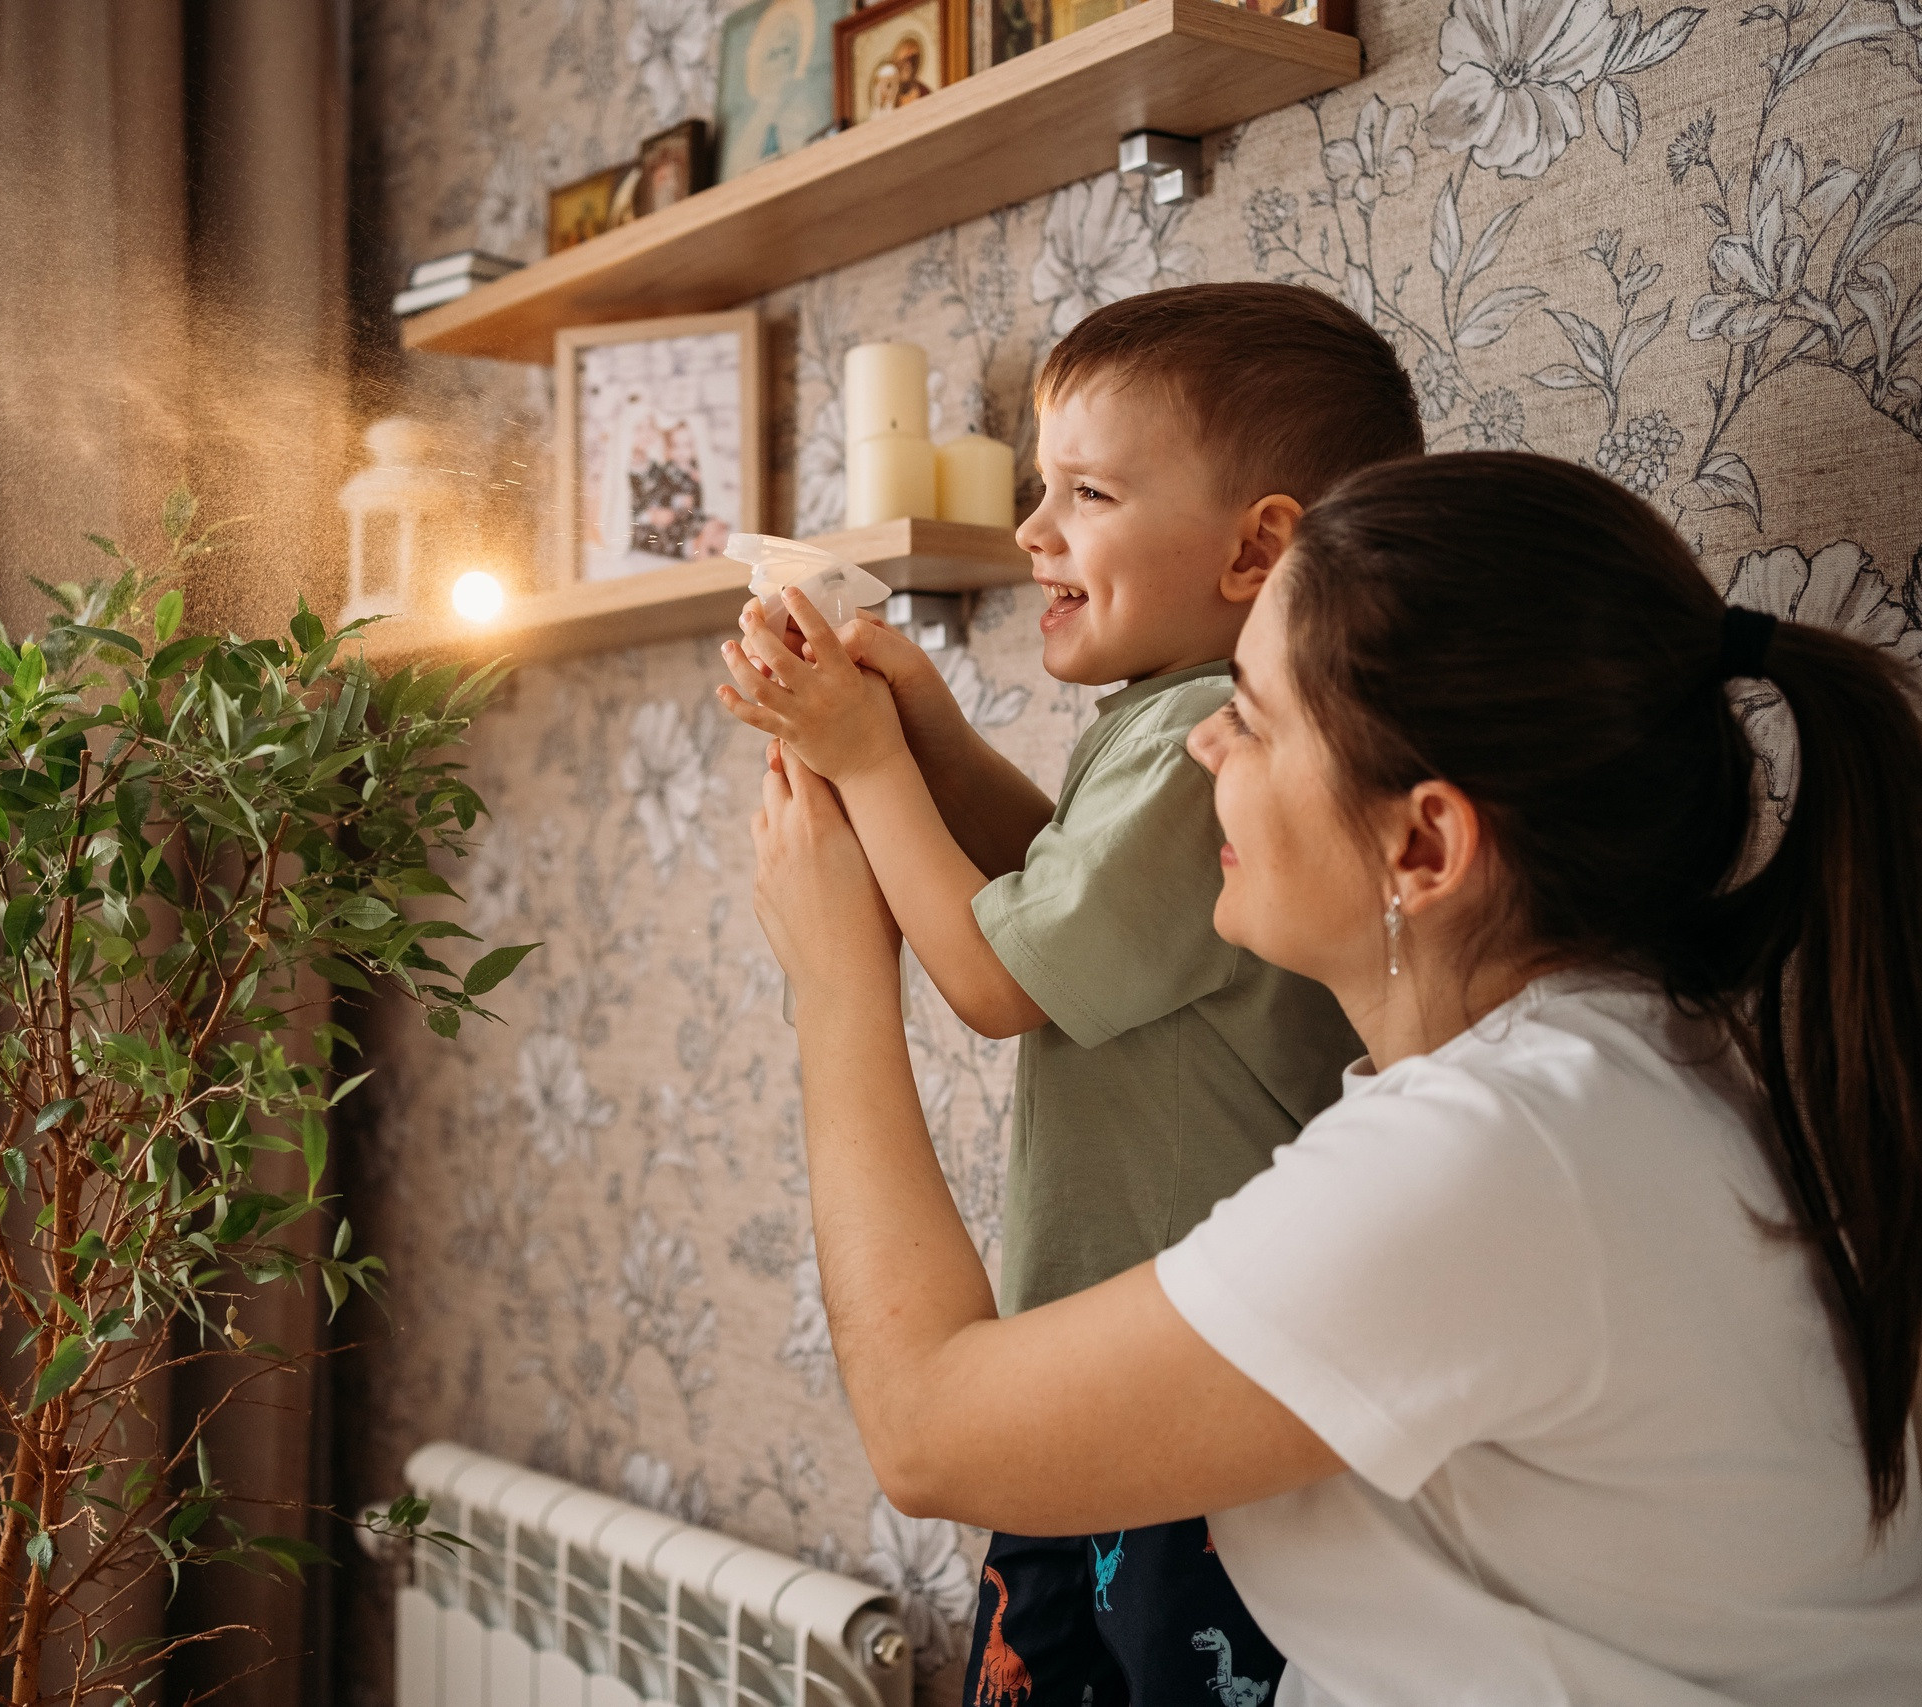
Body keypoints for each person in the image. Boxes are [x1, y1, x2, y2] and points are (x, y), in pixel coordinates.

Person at [748, 451, 1922, 1704]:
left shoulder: (1499, 1154)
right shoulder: (1619, 1078)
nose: (1203, 744)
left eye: (1250, 713)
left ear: (1421, 843)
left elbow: (931, 1434)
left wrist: (833, 984)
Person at [718, 282, 1422, 1702]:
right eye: (1039, 487)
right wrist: (919, 729)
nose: (1034, 531)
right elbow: (1042, 884)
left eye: (1086, 492)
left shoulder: (1202, 743)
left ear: (1258, 547)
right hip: (1113, 1374)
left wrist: (864, 765)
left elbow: (993, 976)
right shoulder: (1166, 724)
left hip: (1176, 1406)